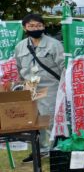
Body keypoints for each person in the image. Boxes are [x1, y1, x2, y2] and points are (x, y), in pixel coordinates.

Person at [15, 14, 65, 162]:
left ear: (43, 27)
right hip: (30, 88)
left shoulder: (54, 44)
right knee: (34, 120)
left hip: (51, 87)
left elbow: (63, 66)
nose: (35, 28)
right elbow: (19, 67)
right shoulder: (20, 46)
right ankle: (40, 150)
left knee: (49, 119)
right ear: (25, 28)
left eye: (38, 25)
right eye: (31, 26)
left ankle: (55, 149)